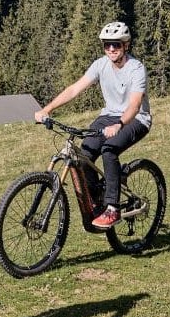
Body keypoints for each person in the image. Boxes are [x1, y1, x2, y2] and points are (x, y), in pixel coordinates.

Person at [34, 20, 151, 230]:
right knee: (84, 154)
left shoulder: (136, 69)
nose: (111, 49)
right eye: (107, 45)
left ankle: (112, 208)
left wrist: (119, 124)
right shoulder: (101, 65)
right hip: (109, 116)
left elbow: (134, 105)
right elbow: (74, 89)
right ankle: (98, 197)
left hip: (135, 119)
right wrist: (47, 109)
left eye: (116, 44)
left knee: (109, 149)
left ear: (126, 45)